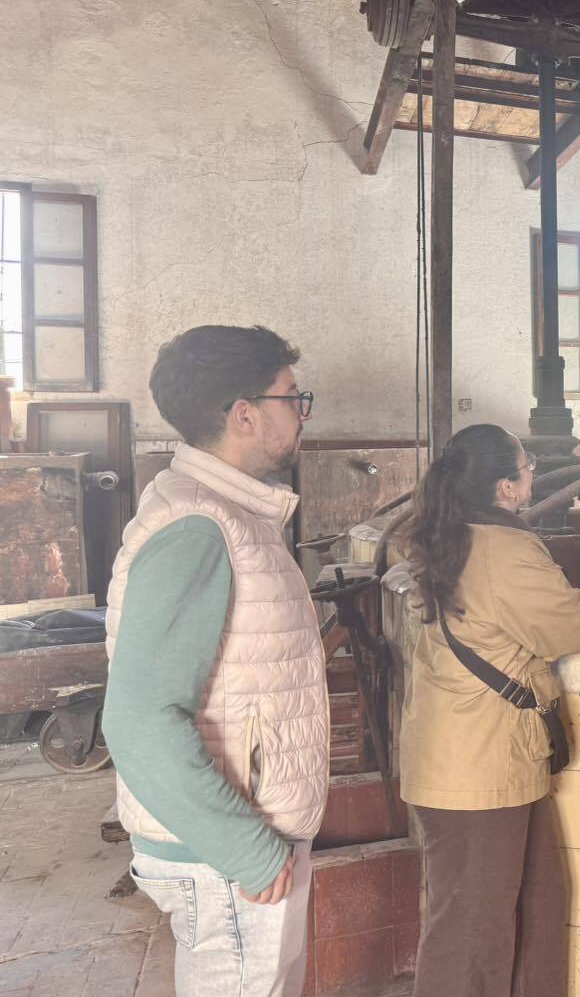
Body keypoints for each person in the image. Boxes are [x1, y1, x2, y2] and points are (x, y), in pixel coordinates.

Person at [103, 325, 327, 996]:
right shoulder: (198, 527)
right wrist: (246, 851)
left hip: (238, 846)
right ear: (245, 414)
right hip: (226, 855)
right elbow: (140, 721)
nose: (303, 413)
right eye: (293, 396)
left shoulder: (231, 514)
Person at [393, 424, 580, 997]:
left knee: (536, 904)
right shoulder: (503, 549)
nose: (532, 473)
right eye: (527, 465)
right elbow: (573, 627)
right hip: (477, 771)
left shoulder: (449, 533)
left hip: (485, 759)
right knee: (471, 935)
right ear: (507, 487)